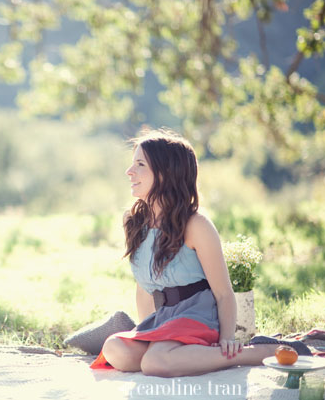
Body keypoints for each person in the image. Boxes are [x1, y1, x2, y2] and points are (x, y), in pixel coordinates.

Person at [91, 129, 311, 376]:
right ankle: (171, 354)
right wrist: (148, 333)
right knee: (114, 348)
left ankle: (251, 353)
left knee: (155, 363)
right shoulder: (134, 221)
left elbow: (223, 292)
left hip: (197, 315)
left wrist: (227, 339)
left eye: (140, 164)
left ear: (165, 173)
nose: (129, 172)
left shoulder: (196, 225)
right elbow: (144, 289)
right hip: (164, 318)